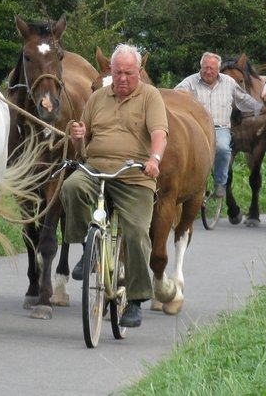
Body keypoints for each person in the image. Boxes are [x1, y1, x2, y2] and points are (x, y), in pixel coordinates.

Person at [60, 44, 168, 328]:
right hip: (96, 169)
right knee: (71, 187)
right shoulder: (96, 98)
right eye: (117, 72)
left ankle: (135, 300)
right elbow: (82, 144)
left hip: (134, 175)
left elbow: (159, 134)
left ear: (139, 72)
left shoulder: (150, 97)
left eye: (128, 73)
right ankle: (88, 248)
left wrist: (154, 159)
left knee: (135, 233)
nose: (122, 78)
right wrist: (77, 136)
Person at [174, 52, 264, 198]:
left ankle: (220, 183)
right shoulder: (189, 82)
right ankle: (188, 183)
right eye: (205, 67)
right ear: (201, 67)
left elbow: (242, 99)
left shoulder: (228, 82)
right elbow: (176, 94)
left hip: (220, 128)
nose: (208, 71)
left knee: (223, 148)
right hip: (198, 129)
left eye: (212, 68)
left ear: (218, 69)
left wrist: (260, 108)